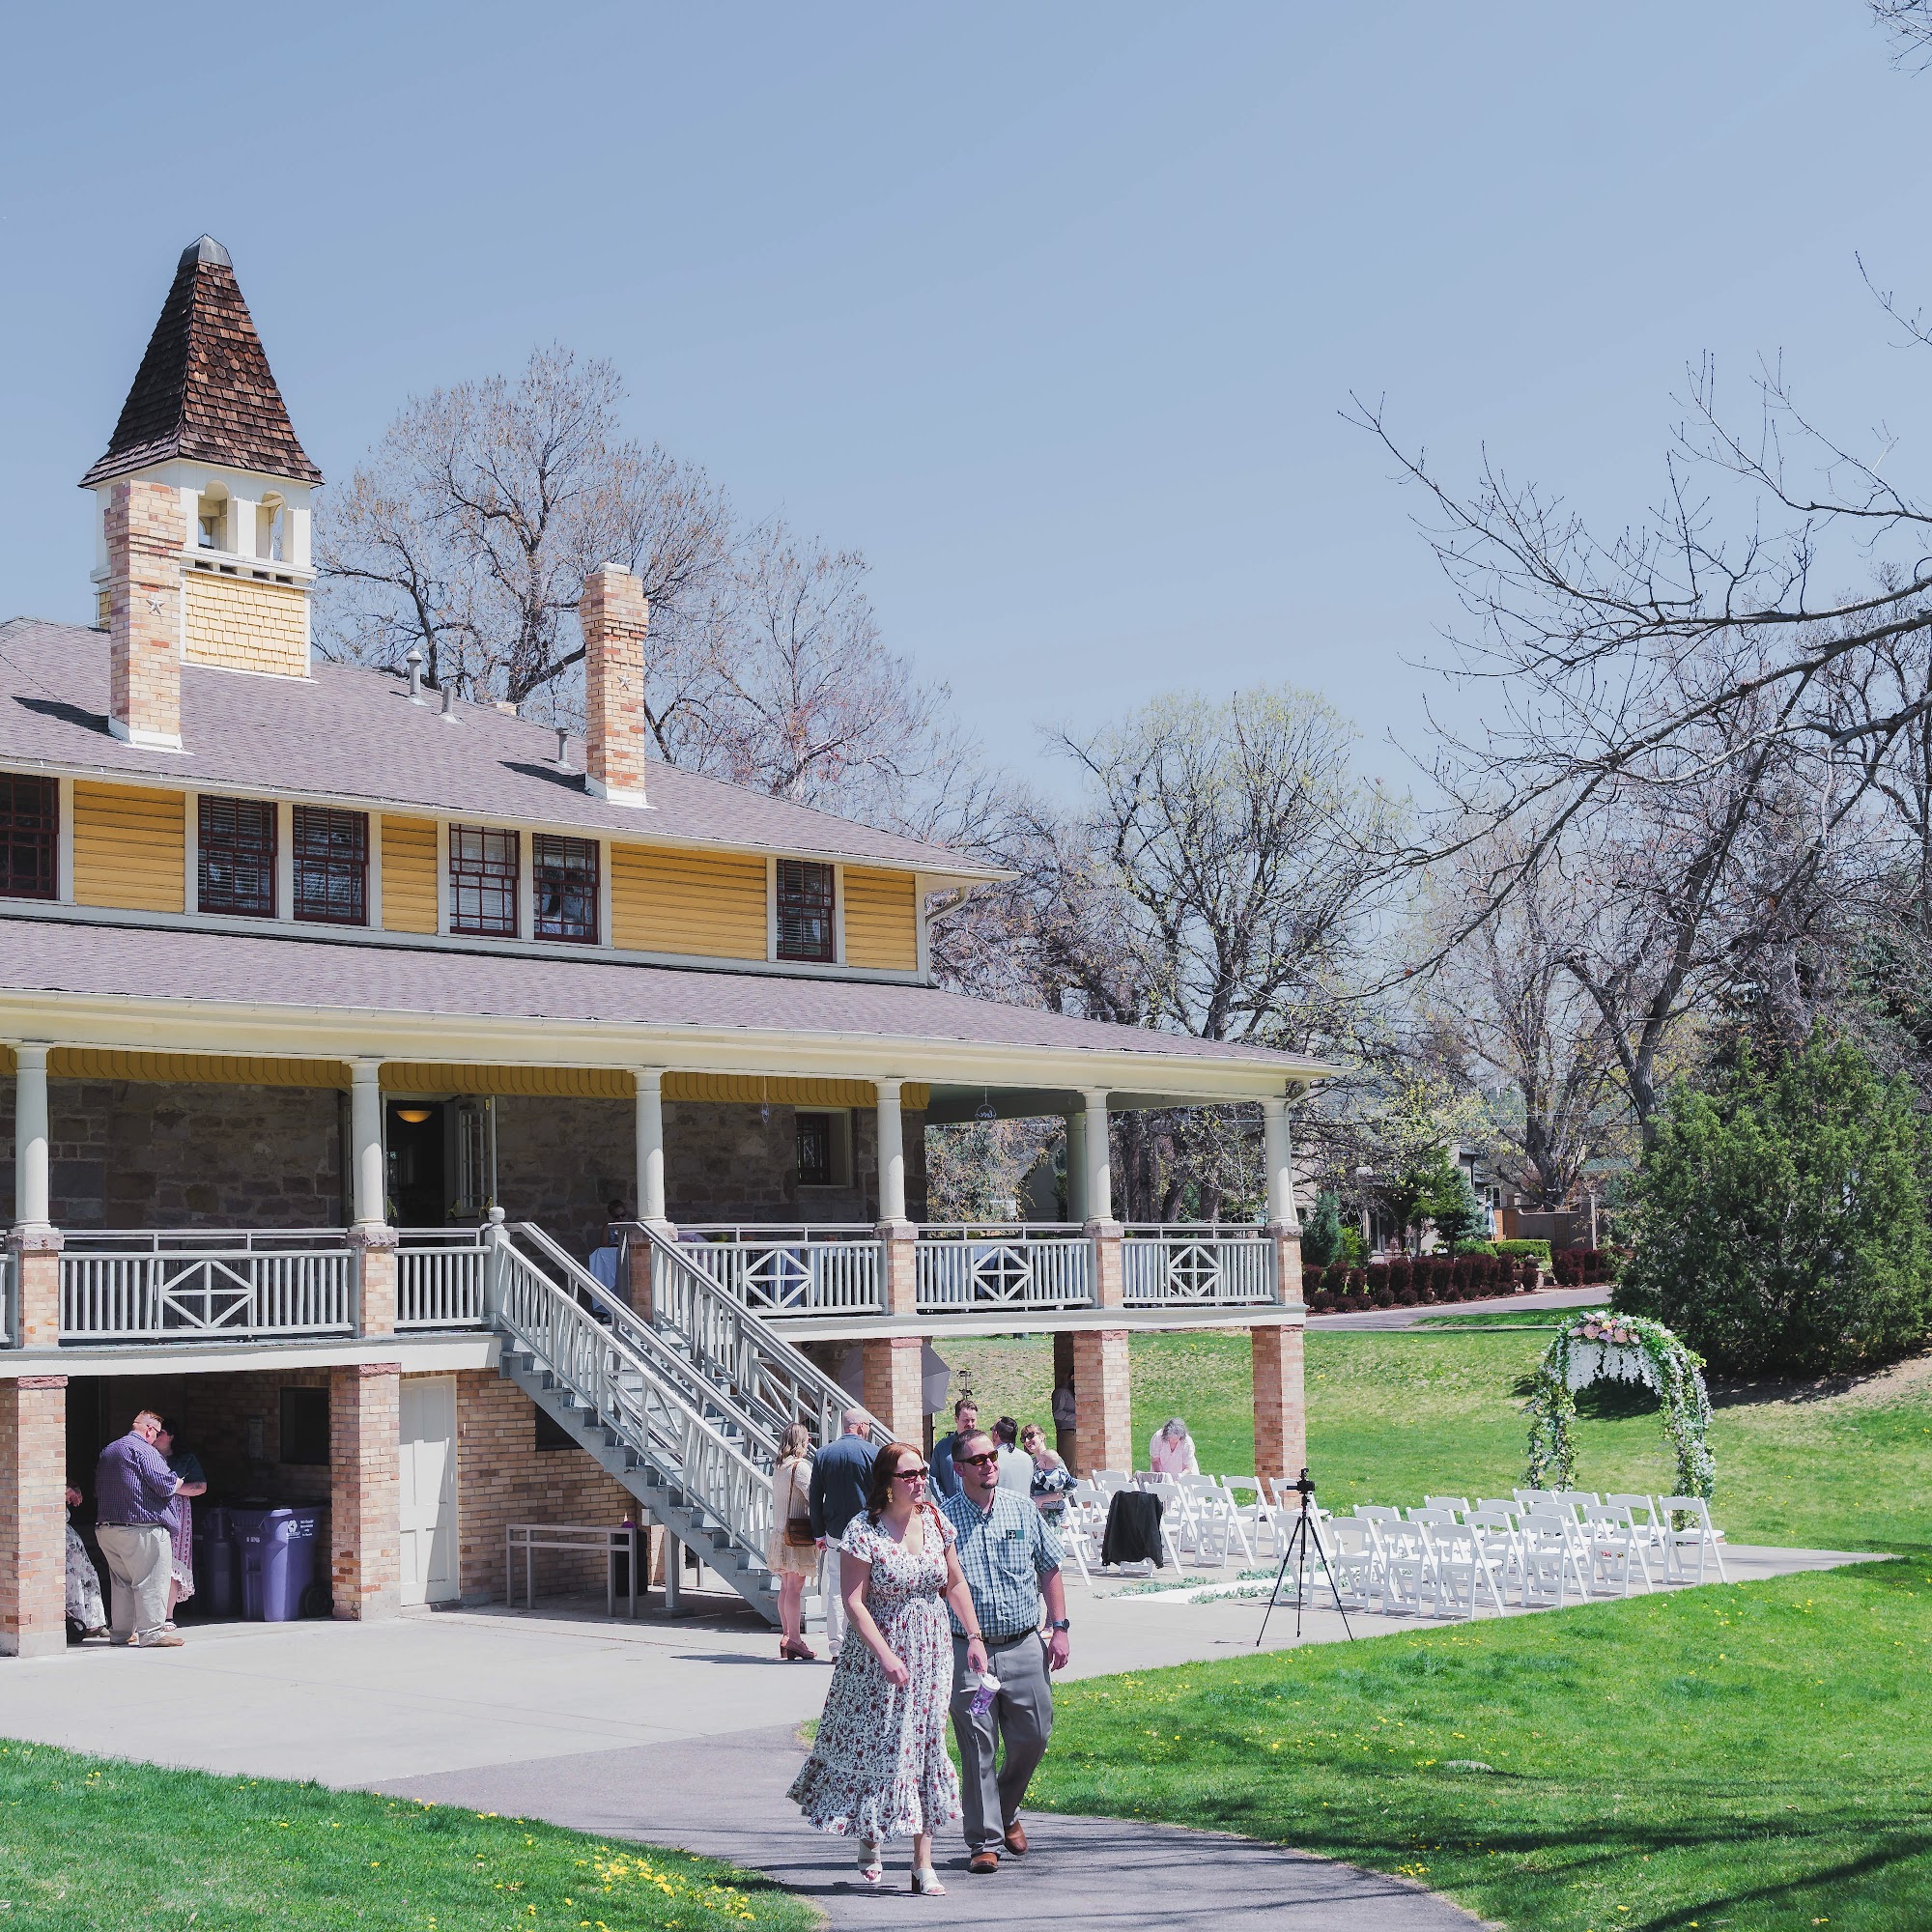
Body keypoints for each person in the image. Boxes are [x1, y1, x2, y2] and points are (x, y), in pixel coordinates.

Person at [788, 1441, 989, 1896]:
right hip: (879, 1654)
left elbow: (954, 1583)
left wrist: (974, 1638)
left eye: (922, 1472)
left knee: (926, 1746)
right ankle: (870, 1836)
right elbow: (853, 1602)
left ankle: (922, 1864)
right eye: (910, 1475)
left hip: (933, 1651)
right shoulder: (864, 1529)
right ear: (887, 1482)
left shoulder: (936, 1520)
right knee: (881, 1747)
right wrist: (886, 1655)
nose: (920, 1481)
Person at [939, 1428, 1071, 1874]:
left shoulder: (1021, 1509)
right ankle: (983, 1842)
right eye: (977, 1460)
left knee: (1034, 1737)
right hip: (968, 1654)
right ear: (959, 1469)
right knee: (978, 1746)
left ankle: (1006, 1809)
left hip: (1023, 1646)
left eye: (992, 1456)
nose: (989, 1464)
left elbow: (1050, 1567)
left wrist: (1060, 1628)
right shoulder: (944, 1522)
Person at [94, 1410, 205, 1648]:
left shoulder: (110, 1449)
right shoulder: (146, 1451)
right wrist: (175, 1480)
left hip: (107, 1529)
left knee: (122, 1582)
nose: (155, 1440)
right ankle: (153, 1633)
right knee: (152, 1580)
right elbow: (165, 1486)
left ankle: (121, 1633)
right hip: (142, 1529)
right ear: (149, 1431)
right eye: (155, 1434)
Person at [809, 1407, 880, 1660]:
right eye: (868, 1425)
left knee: (837, 1589)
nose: (869, 1429)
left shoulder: (823, 1454)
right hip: (868, 1531)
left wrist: (818, 1532)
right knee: (868, 1588)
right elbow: (884, 1494)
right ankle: (863, 1642)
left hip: (836, 1531)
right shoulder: (873, 1453)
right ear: (860, 1426)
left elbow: (815, 1497)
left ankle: (838, 1647)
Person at [769, 1422, 819, 1662]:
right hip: (796, 1535)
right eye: (807, 1438)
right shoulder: (800, 1467)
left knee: (786, 1586)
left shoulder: (779, 1466)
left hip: (780, 1532)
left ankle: (787, 1635)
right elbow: (813, 1497)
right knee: (795, 1589)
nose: (809, 1442)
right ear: (801, 1441)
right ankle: (795, 1640)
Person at [155, 1418, 203, 1627]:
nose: (156, 1436)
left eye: (161, 1432)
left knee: (173, 1565)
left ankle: (168, 1615)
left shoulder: (185, 1459)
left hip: (178, 1513)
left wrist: (172, 1488)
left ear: (171, 1436)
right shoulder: (146, 1455)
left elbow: (201, 1486)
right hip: (152, 1511)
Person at [63, 1485, 109, 1643]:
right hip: (58, 1540)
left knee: (87, 1579)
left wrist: (72, 1488)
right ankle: (75, 1624)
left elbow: (70, 1482)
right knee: (71, 1584)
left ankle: (92, 1623)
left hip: (71, 1541)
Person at [1019, 1423, 1070, 1522]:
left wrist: (1041, 1499)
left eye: (1030, 1436)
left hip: (1053, 1519)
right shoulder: (1031, 1463)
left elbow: (1069, 1490)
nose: (1026, 1441)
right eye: (1023, 1438)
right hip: (1034, 1518)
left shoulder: (1055, 1461)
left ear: (1042, 1436)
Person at [930, 1398, 979, 1500]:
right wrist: (945, 1502)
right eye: (966, 1420)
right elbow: (934, 1478)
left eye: (973, 1420)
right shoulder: (942, 1447)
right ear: (956, 1419)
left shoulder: (981, 1446)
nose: (970, 1424)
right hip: (949, 1510)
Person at [992, 1417, 1032, 1496]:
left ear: (995, 1434)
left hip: (1002, 1507)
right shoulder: (1027, 1458)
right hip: (1025, 1507)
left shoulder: (992, 1459)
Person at [1051, 1374, 1077, 1462]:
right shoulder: (1062, 1392)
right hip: (1067, 1432)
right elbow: (1057, 1413)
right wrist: (1076, 1417)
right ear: (1073, 1377)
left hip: (1075, 1432)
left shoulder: (1072, 1392)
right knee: (1070, 1464)